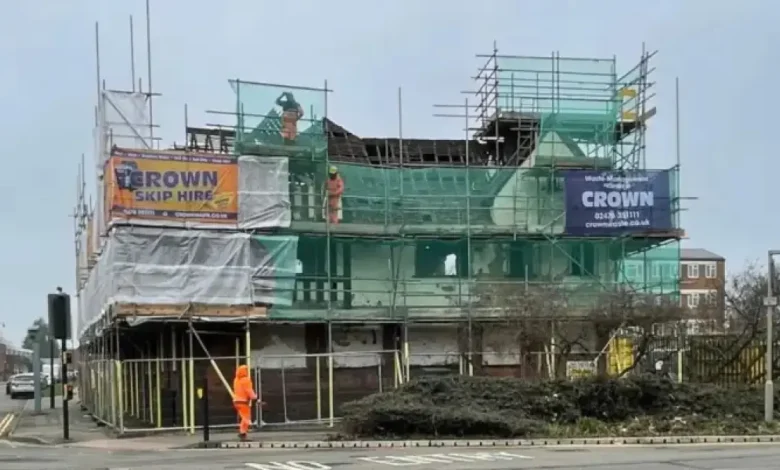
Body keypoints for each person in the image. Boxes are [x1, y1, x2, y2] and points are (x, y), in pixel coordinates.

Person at [232, 364, 257, 440]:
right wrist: (255, 397)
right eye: (246, 370)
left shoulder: (236, 380)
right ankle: (243, 433)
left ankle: (243, 432)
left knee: (244, 417)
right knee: (246, 418)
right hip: (243, 401)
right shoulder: (246, 380)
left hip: (236, 401)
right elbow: (249, 390)